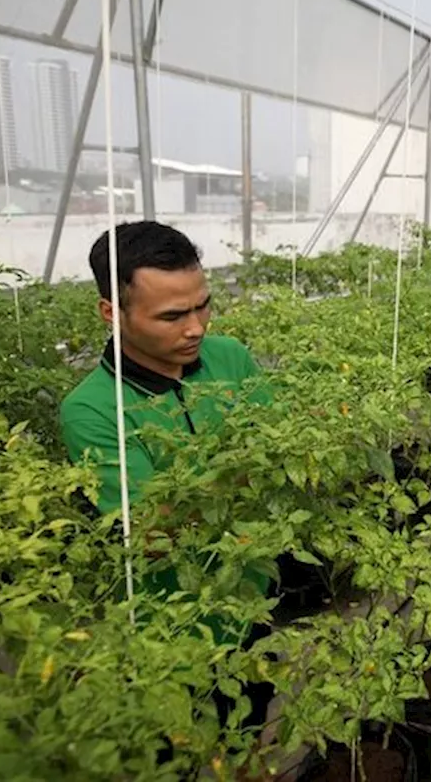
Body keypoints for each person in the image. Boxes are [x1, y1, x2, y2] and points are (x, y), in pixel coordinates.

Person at [59, 221, 275, 740]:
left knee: (247, 725)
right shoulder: (91, 410)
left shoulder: (230, 357)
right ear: (112, 314)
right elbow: (152, 536)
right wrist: (251, 470)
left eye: (202, 305)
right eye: (173, 315)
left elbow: (280, 446)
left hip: (252, 601)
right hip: (172, 629)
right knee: (180, 743)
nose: (196, 327)